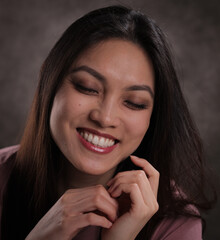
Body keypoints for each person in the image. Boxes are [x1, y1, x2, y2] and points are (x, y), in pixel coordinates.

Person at [0, 5, 216, 240]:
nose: (105, 118)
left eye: (134, 102)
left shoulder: (176, 224)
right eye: (87, 88)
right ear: (49, 83)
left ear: (153, 117)